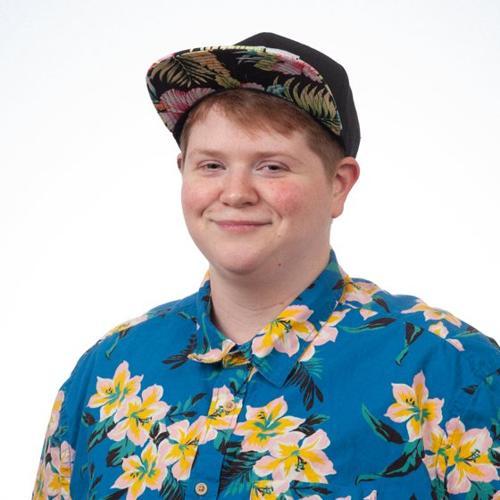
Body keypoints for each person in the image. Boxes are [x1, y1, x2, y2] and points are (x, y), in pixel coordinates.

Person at [33, 32, 499, 500]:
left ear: (338, 185)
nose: (235, 193)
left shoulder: (455, 372)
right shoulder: (106, 375)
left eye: (271, 167)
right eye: (211, 165)